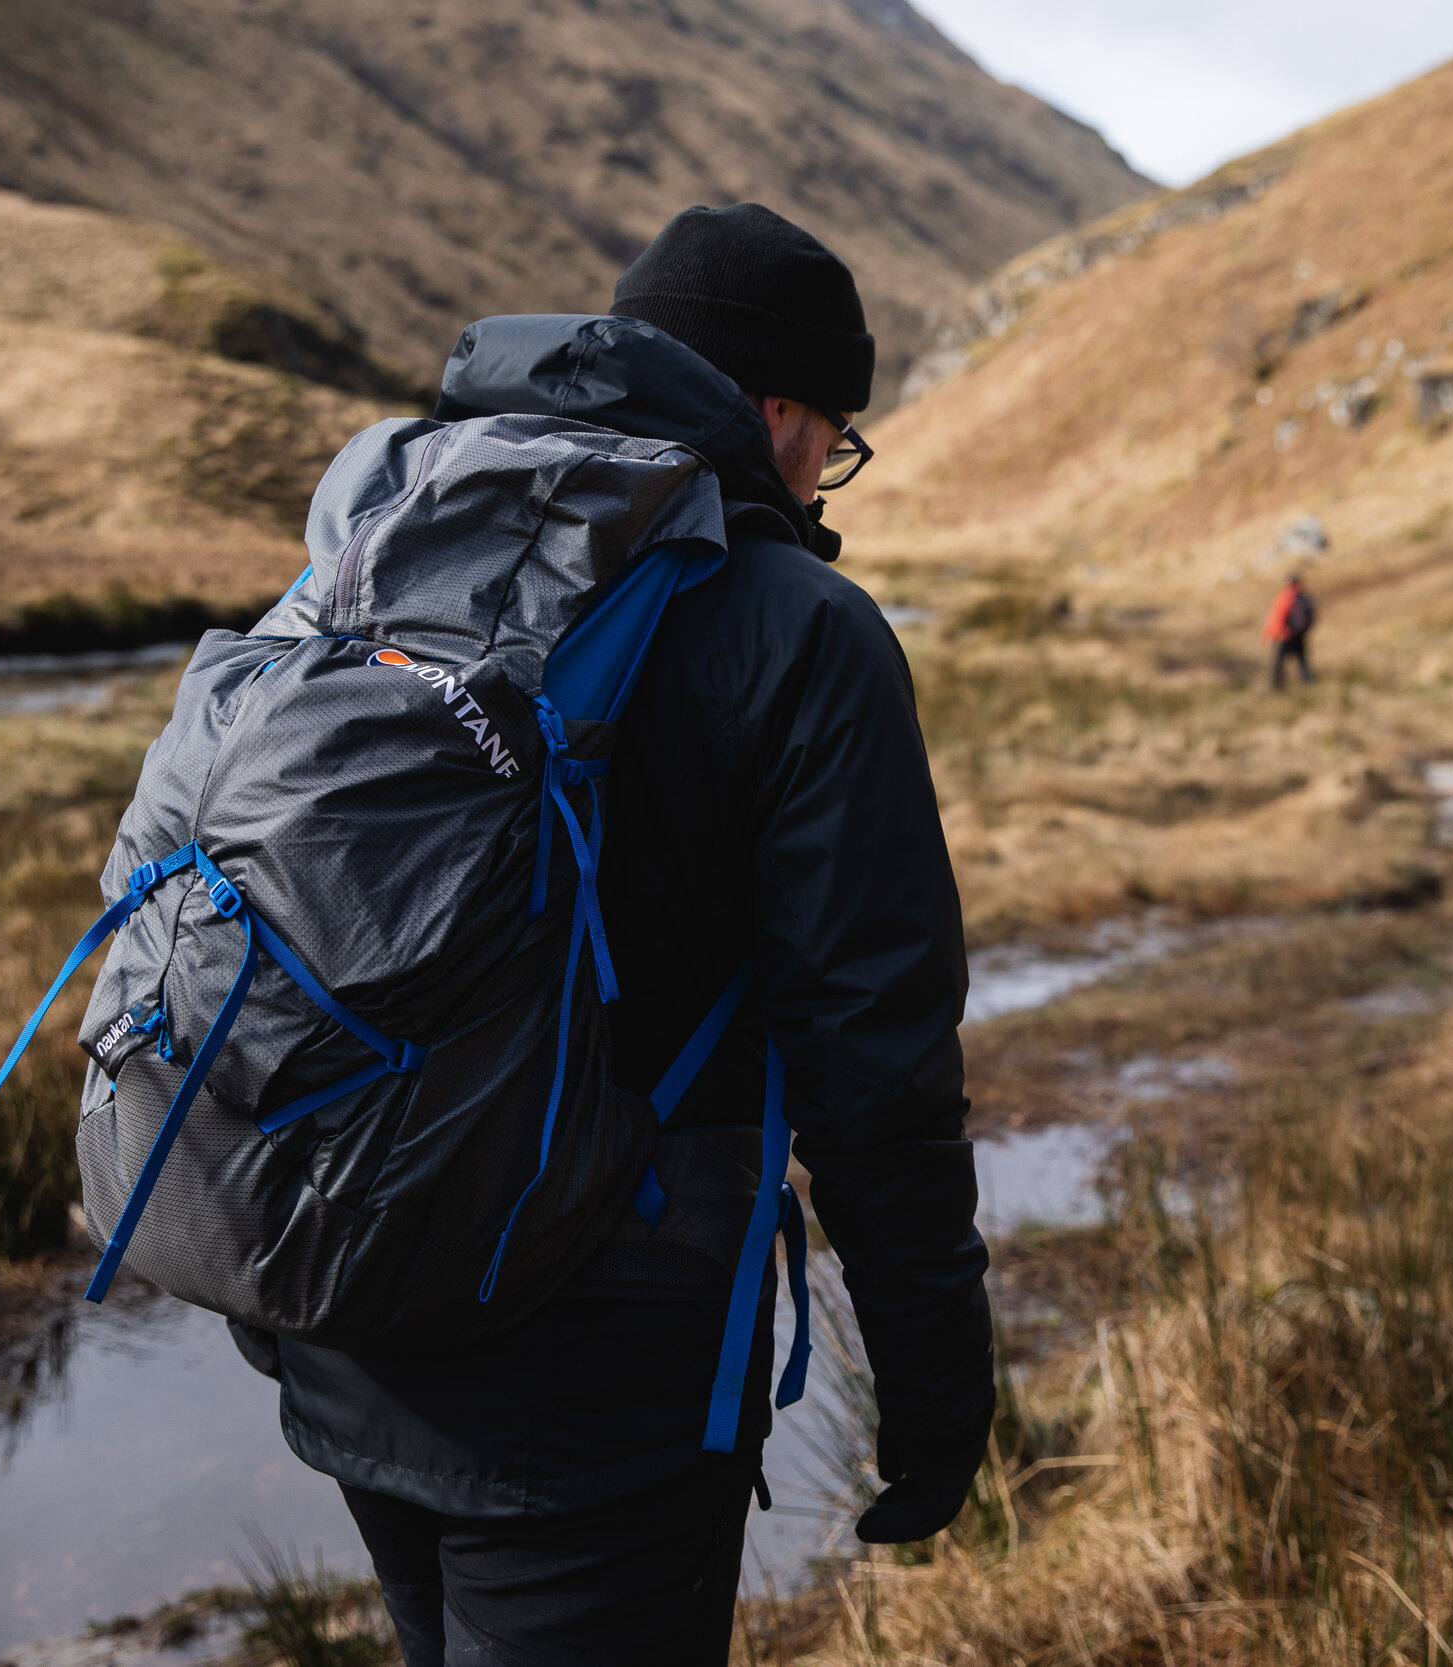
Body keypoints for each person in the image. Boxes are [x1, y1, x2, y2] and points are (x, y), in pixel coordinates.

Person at [252, 204, 995, 1666]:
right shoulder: (801, 624)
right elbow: (876, 1063)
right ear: (775, 411)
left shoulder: (406, 531)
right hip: (597, 1365)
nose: (826, 474)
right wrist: (935, 1382)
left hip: (344, 1291)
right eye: (830, 436)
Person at [1265, 573, 1317, 689]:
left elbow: (1276, 618)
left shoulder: (1286, 598)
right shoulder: (1303, 598)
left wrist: (1272, 634)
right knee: (1302, 660)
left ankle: (1278, 686)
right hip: (1297, 635)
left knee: (1279, 662)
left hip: (1286, 635)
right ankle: (1308, 682)